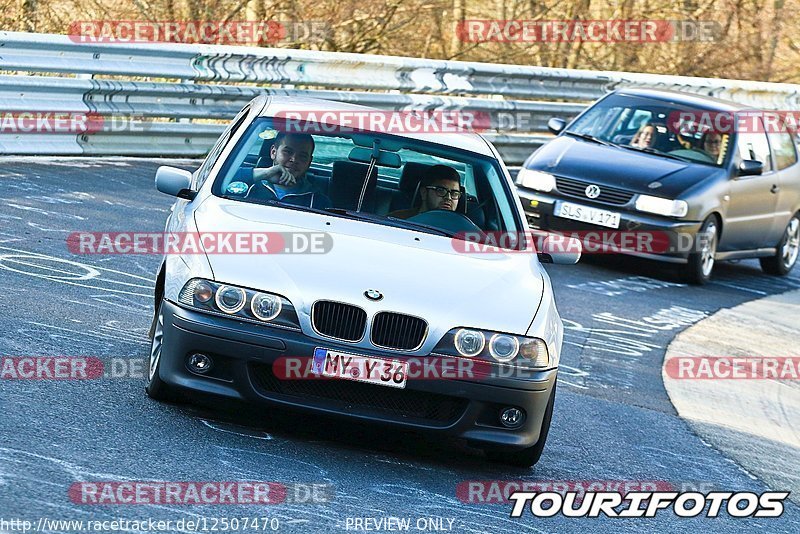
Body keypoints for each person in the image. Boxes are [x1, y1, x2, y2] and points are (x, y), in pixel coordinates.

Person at [245, 132, 332, 209]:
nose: (294, 159)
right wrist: (265, 174)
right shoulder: (249, 184)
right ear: (273, 152)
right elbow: (231, 176)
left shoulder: (318, 201)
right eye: (287, 152)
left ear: (309, 162)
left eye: (302, 156)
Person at [389, 164, 462, 219]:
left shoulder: (463, 230)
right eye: (441, 190)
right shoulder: (397, 219)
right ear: (424, 192)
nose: (448, 198)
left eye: (454, 193)